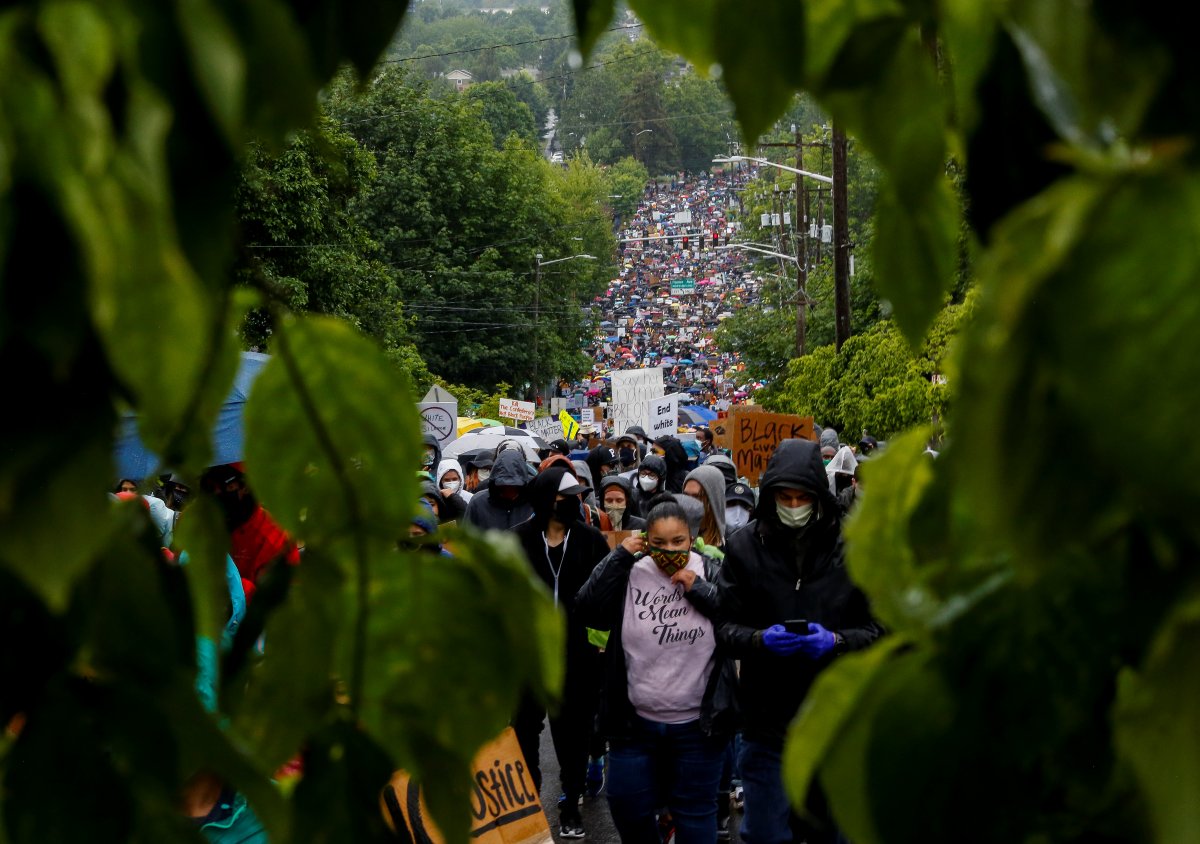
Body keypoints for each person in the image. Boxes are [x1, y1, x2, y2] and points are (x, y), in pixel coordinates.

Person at [716, 439, 884, 844]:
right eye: (784, 497)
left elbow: (881, 631)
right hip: (767, 726)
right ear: (770, 494)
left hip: (836, 725)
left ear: (818, 496)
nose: (793, 505)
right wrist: (758, 640)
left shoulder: (856, 548)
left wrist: (837, 641)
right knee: (765, 834)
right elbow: (723, 627)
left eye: (801, 497)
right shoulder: (743, 547)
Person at [576, 497, 736, 844]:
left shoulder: (710, 569)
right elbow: (587, 606)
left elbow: (737, 619)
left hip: (698, 727)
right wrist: (619, 555)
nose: (669, 550)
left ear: (691, 539)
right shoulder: (631, 571)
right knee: (626, 805)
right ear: (646, 540)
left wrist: (701, 591)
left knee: (695, 813)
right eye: (659, 543)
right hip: (635, 726)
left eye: (678, 541)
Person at [513, 468, 612, 840]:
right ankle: (529, 803)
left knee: (573, 737)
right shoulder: (518, 540)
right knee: (523, 732)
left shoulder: (590, 541)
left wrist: (600, 645)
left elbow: (606, 593)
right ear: (545, 499)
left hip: (578, 659)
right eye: (563, 497)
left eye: (575, 496)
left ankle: (570, 804)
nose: (572, 503)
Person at [201, 465, 300, 602]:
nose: (217, 492)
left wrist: (234, 586)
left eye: (223, 483)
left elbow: (277, 603)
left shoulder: (275, 538)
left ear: (246, 485)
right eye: (210, 487)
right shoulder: (206, 525)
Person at [463, 450, 534, 531]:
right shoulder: (478, 503)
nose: (509, 490)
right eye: (504, 486)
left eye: (514, 486)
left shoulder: (534, 504)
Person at [683, 466, 727, 552]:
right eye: (686, 495)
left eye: (697, 497)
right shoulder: (675, 537)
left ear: (713, 500)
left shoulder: (730, 545)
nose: (689, 502)